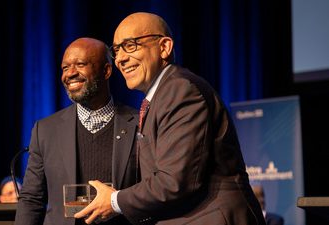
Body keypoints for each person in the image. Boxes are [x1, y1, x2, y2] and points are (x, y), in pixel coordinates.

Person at [74, 12, 266, 225]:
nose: (120, 59)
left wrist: (114, 200)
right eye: (117, 50)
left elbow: (174, 181)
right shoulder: (161, 94)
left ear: (164, 47)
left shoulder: (180, 90)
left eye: (130, 46)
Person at [14, 37, 138, 225]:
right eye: (65, 68)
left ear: (106, 71)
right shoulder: (45, 130)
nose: (70, 74)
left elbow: (154, 191)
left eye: (80, 64)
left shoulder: (139, 123)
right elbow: (32, 199)